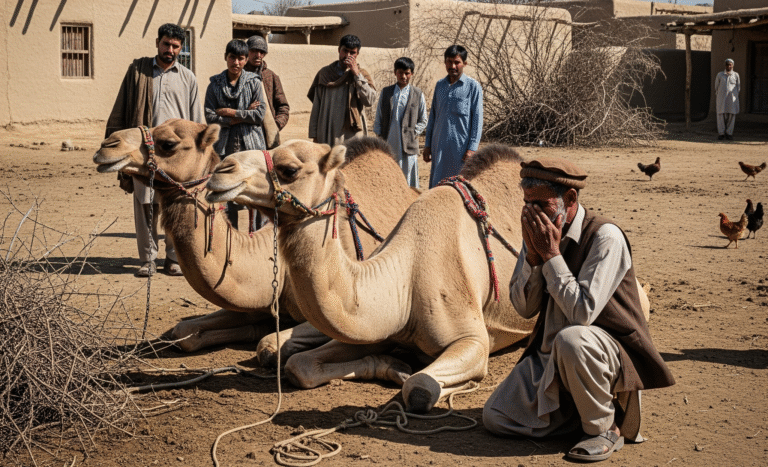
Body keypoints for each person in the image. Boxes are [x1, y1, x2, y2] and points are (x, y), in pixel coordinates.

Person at [482, 157, 674, 462]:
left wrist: (551, 255)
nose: (531, 214)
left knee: (572, 339)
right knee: (496, 417)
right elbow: (523, 308)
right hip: (551, 358)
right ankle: (578, 415)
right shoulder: (539, 234)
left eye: (540, 205)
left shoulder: (605, 237)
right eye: (526, 204)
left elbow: (582, 314)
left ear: (569, 199)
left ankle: (604, 427)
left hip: (599, 354)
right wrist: (533, 258)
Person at [106, 23, 203, 277]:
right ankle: (148, 259)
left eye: (175, 46)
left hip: (175, 156)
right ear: (157, 42)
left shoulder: (188, 78)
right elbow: (121, 107)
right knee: (146, 205)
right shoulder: (138, 72)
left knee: (175, 206)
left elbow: (196, 120)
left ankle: (173, 259)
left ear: (181, 48)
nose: (169, 50)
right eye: (165, 44)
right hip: (144, 152)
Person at [204, 39, 267, 230]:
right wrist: (244, 114)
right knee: (227, 195)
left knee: (255, 195)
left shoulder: (254, 83)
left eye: (241, 58)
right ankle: (231, 240)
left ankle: (255, 239)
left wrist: (230, 113)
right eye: (232, 57)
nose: (236, 63)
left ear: (246, 59)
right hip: (224, 148)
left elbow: (259, 115)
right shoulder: (214, 85)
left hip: (252, 147)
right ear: (226, 57)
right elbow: (210, 116)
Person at [423, 45, 483, 189]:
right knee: (437, 187)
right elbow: (433, 117)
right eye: (449, 62)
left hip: (460, 150)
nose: (453, 66)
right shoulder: (440, 85)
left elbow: (477, 120)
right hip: (439, 147)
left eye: (457, 62)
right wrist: (427, 145)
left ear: (465, 64)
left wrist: (472, 148)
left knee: (458, 187)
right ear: (445, 63)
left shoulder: (473, 87)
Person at [308, 34, 377, 145]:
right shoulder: (324, 74)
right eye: (345, 51)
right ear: (339, 50)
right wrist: (314, 135)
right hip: (327, 131)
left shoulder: (362, 74)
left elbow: (370, 101)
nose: (347, 55)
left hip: (352, 134)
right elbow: (316, 106)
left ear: (357, 54)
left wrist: (357, 75)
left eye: (352, 53)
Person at [373, 57, 428, 189]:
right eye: (400, 73)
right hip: (389, 141)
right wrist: (379, 135)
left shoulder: (418, 94)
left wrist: (413, 132)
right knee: (389, 176)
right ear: (395, 73)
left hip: (408, 144)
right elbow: (378, 117)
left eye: (407, 73)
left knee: (408, 179)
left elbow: (424, 119)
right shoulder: (386, 92)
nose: (403, 76)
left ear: (412, 74)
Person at [244, 35, 290, 136]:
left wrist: (276, 125)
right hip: (243, 132)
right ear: (246, 52)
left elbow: (283, 106)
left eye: (262, 52)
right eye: (254, 51)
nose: (258, 55)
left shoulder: (271, 76)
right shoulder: (238, 75)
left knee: (268, 153)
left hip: (267, 134)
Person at [715, 58, 740, 141]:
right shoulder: (720, 75)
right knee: (720, 116)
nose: (729, 66)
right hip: (721, 100)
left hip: (732, 100)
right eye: (727, 64)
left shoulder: (736, 75)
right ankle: (721, 133)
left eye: (730, 64)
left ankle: (729, 133)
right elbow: (716, 87)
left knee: (731, 116)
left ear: (733, 65)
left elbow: (738, 88)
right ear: (725, 65)